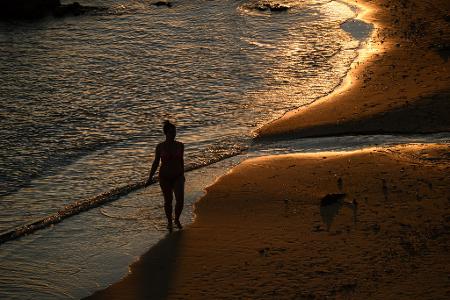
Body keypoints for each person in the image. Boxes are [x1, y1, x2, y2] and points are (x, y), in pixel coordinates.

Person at [146, 121, 185, 229]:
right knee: (168, 201)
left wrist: (182, 173)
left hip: (178, 176)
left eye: (175, 132)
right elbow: (156, 162)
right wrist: (150, 177)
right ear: (166, 133)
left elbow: (181, 160)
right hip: (164, 177)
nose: (174, 134)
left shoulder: (180, 145)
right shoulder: (160, 147)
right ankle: (169, 222)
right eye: (171, 132)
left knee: (180, 200)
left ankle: (176, 219)